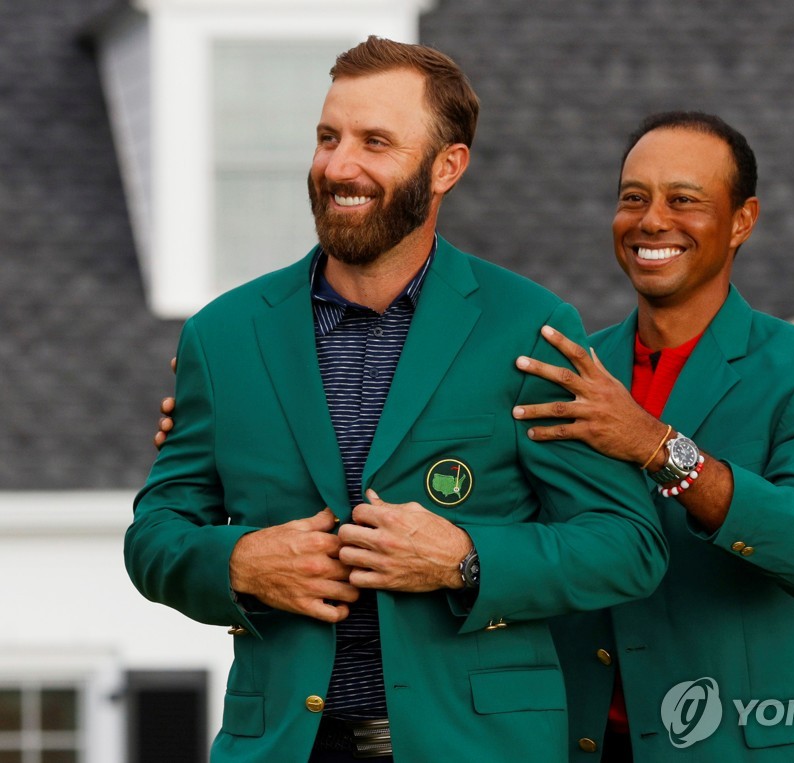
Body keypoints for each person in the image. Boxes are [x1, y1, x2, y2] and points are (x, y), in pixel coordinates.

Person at [125, 37, 668, 763]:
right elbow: (156, 533)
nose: (338, 165)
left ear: (447, 166)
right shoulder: (223, 335)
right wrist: (238, 563)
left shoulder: (529, 328)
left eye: (375, 142)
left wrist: (468, 560)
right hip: (284, 745)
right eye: (328, 137)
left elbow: (628, 547)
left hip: (481, 746)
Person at [511, 112, 794, 761]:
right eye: (634, 198)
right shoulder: (563, 374)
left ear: (743, 220)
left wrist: (659, 447)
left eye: (684, 199)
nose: (652, 220)